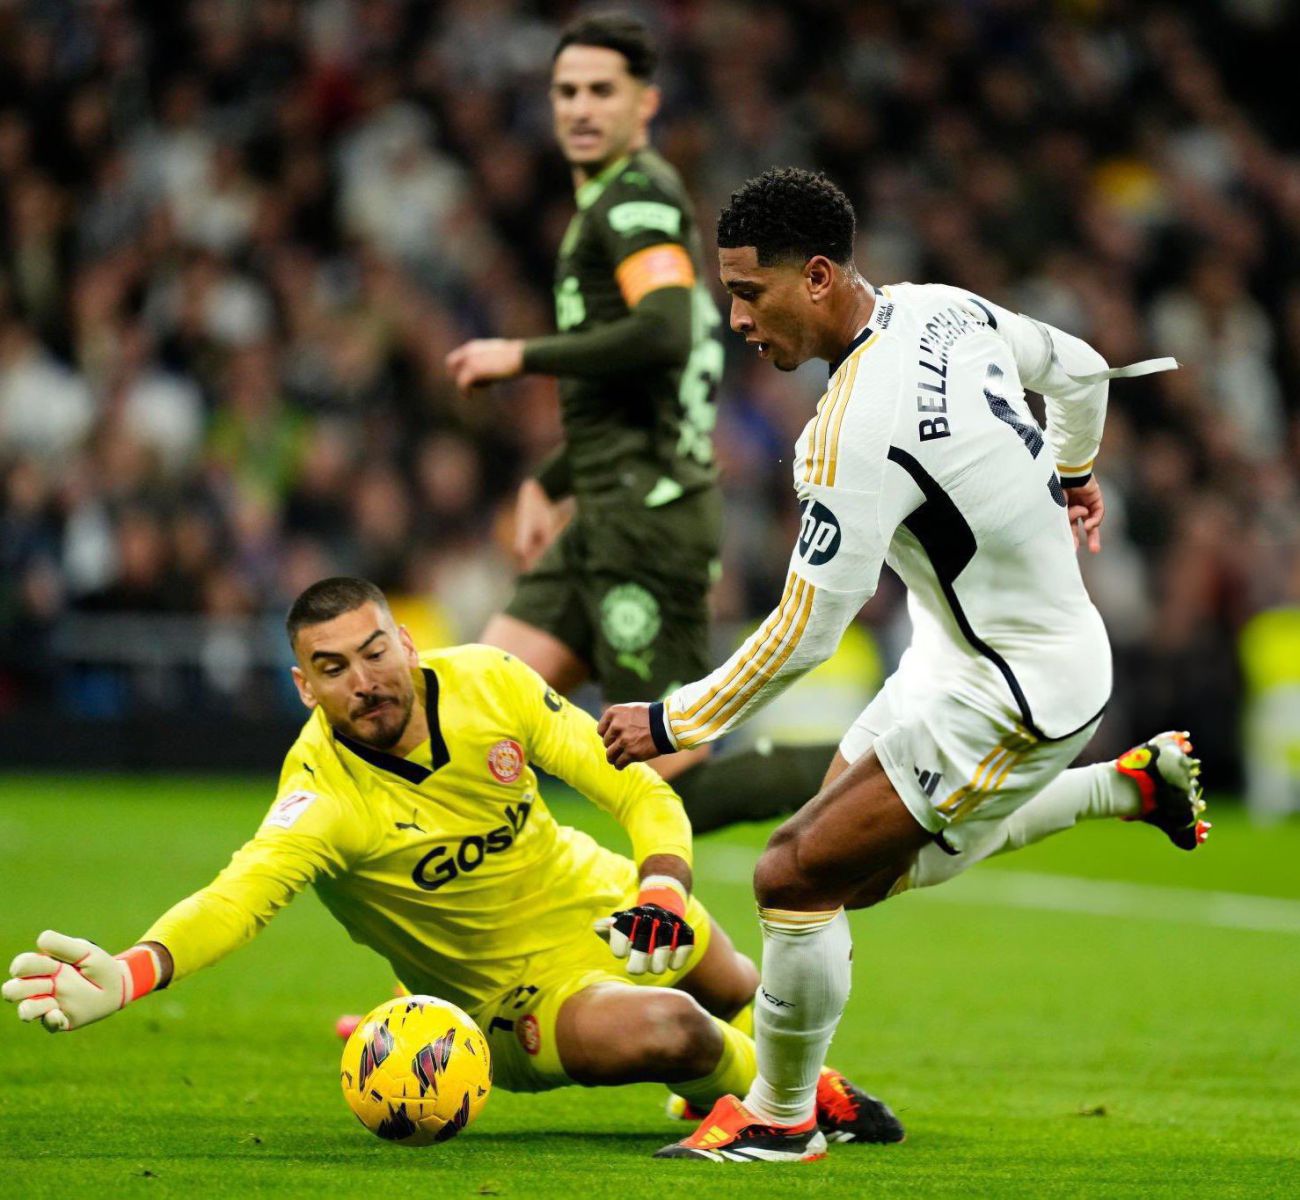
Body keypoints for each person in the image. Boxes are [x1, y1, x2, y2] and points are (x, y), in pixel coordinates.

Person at [598, 169, 1209, 1162]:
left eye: (751, 293)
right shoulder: (942, 308)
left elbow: (806, 628)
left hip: (1015, 688)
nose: (737, 318)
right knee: (843, 876)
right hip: (954, 653)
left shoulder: (848, 433)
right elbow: (1083, 367)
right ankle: (1128, 787)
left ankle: (781, 1118)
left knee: (793, 874)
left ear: (821, 276)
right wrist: (1075, 472)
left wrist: (675, 722)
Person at [2, 576, 898, 1145]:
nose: (364, 679)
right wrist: (126, 973)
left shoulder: (489, 682)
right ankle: (788, 1101)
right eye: (332, 668)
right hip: (507, 1001)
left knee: (743, 985)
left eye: (374, 650)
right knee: (681, 1032)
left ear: (406, 641)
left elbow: (635, 786)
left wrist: (661, 879)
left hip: (596, 897)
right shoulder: (321, 799)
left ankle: (758, 1087)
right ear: (303, 687)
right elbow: (236, 900)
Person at [445, 12, 833, 831]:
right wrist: (549, 479)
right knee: (467, 716)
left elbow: (660, 328)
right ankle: (478, 939)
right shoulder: (614, 204)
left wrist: (518, 355)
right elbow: (643, 375)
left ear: (644, 103)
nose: (581, 108)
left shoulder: (637, 201)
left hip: (647, 527)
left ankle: (861, 762)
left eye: (601, 91)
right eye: (566, 92)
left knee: (669, 783)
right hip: (608, 506)